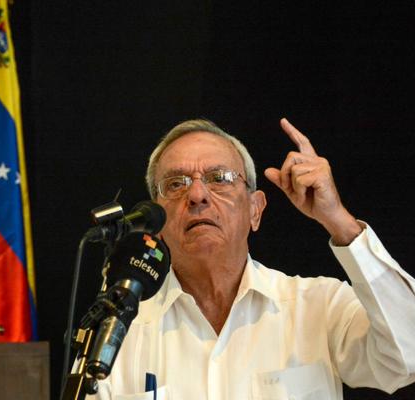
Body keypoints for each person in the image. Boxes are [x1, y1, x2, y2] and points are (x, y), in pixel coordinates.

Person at [88, 118, 415, 399]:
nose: (198, 195)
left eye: (219, 178)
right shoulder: (120, 330)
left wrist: (339, 221)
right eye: (176, 183)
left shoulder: (317, 306)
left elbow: (406, 358)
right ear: (155, 222)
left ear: (255, 210)